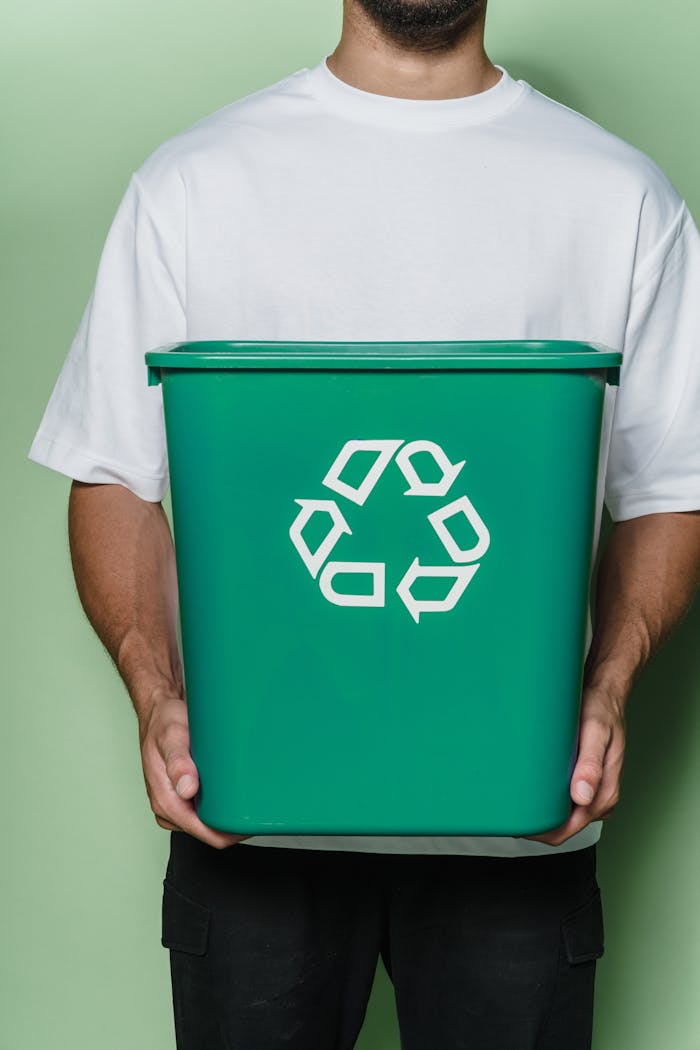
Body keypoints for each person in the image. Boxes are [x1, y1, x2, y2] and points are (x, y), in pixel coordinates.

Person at [28, 0, 700, 1047]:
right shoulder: (197, 182)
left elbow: (667, 488)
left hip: (517, 837)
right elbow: (111, 474)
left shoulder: (616, 194)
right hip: (251, 824)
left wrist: (608, 691)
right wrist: (154, 693)